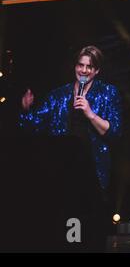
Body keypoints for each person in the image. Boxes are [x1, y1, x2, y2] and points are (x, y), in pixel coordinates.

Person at [19, 45, 122, 193]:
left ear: (97, 70)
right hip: (62, 166)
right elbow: (33, 126)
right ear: (75, 66)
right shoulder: (58, 95)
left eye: (89, 67)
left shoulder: (108, 92)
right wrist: (26, 109)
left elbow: (115, 133)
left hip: (93, 166)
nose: (84, 71)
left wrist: (90, 113)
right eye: (81, 65)